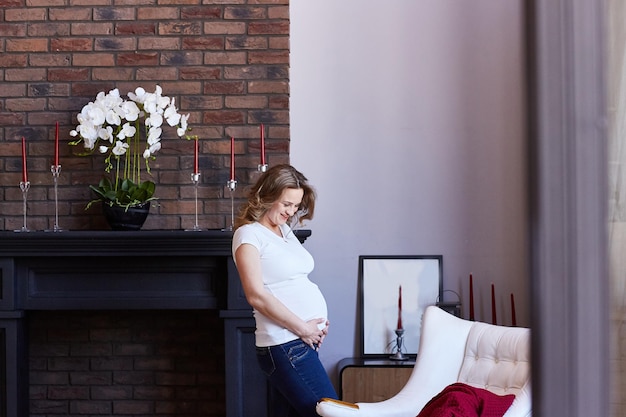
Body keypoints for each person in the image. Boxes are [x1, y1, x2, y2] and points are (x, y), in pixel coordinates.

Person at [231, 164, 338, 417]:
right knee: (332, 413)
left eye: (295, 206)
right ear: (267, 196)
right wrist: (304, 328)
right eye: (286, 204)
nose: (291, 212)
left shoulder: (284, 231)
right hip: (284, 343)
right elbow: (255, 295)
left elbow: (294, 282)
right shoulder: (248, 235)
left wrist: (315, 327)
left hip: (301, 342)